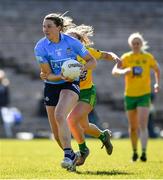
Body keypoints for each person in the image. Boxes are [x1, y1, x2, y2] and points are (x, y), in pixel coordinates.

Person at [34, 13, 97, 170]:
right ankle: (72, 157)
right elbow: (46, 74)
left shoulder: (72, 42)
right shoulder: (40, 47)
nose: (45, 29)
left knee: (60, 115)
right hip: (52, 84)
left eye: (49, 26)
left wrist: (81, 68)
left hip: (71, 84)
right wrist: (60, 76)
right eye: (43, 26)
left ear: (59, 28)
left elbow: (92, 61)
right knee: (56, 135)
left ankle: (68, 154)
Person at [65, 24, 122, 166]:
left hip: (87, 93)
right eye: (67, 40)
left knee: (71, 120)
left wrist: (116, 58)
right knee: (83, 126)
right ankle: (103, 136)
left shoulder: (87, 52)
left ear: (79, 42)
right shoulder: (63, 56)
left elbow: (105, 54)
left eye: (73, 40)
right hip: (73, 93)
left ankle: (83, 151)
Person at [112, 32, 160, 162]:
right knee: (133, 127)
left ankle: (143, 153)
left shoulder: (148, 57)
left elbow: (157, 69)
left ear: (141, 43)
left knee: (142, 125)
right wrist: (124, 71)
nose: (136, 45)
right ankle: (134, 152)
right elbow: (114, 71)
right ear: (130, 44)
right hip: (130, 96)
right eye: (134, 43)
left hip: (144, 95)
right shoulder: (126, 57)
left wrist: (156, 83)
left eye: (138, 43)